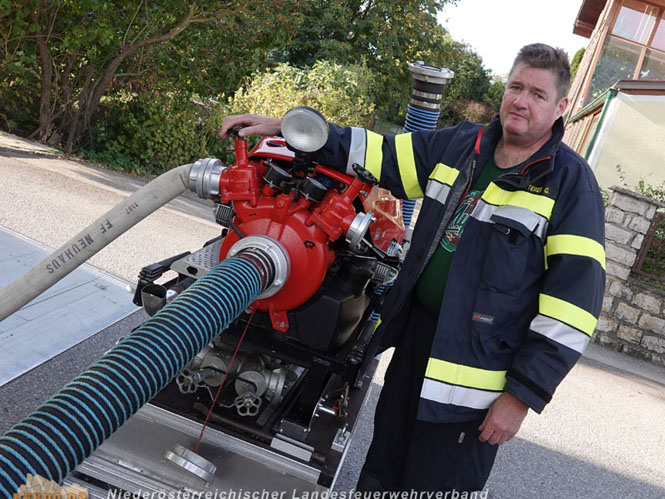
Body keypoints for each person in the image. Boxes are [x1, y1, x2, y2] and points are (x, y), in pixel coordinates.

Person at [221, 43, 606, 494]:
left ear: (561, 107)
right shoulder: (464, 145)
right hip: (417, 346)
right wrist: (294, 131)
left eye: (537, 94)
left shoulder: (570, 184)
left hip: (477, 383)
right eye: (515, 86)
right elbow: (381, 153)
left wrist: (522, 396)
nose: (521, 100)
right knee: (380, 474)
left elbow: (572, 308)